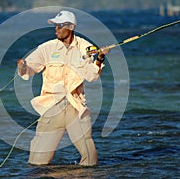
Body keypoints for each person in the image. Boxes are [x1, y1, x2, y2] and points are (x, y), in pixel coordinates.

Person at [17, 10, 110, 166]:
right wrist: (23, 67)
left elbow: (92, 76)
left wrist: (100, 58)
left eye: (60, 26)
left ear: (71, 26)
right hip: (52, 107)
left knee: (89, 157)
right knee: (37, 161)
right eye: (55, 26)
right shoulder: (46, 48)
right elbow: (28, 71)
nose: (56, 29)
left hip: (76, 107)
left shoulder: (86, 47)